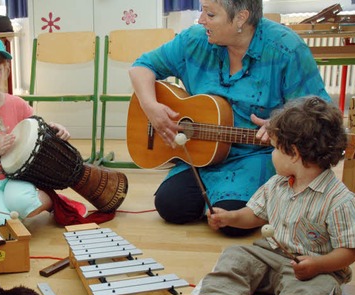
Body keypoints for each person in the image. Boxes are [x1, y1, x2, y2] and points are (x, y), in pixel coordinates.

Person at [128, 0, 330, 236]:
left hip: (254, 153)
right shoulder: (195, 39)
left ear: (241, 18)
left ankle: (247, 202)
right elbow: (141, 67)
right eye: (202, 11)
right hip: (201, 153)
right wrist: (151, 106)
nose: (201, 20)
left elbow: (318, 111)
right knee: (170, 206)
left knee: (234, 223)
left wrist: (282, 123)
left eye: (210, 14)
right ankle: (227, 203)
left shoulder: (287, 49)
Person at [190, 96, 355, 295]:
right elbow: (255, 214)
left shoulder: (340, 201)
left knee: (315, 292)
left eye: (274, 148)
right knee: (237, 255)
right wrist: (230, 218)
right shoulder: (277, 184)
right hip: (270, 254)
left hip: (315, 269)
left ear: (293, 153)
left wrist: (318, 264)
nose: (271, 153)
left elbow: (352, 249)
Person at [0, 37, 86, 226]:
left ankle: (52, 200)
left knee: (21, 204)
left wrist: (55, 129)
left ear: (6, 70)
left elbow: (38, 132)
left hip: (16, 176)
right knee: (5, 224)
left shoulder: (17, 105)